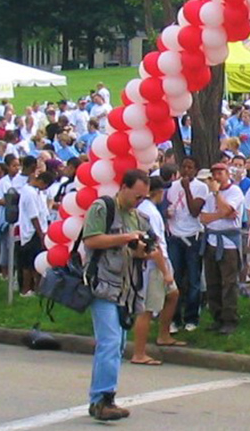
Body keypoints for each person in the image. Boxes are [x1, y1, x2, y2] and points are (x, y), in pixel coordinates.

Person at [84, 170, 153, 421]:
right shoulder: (103, 207)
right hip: (103, 283)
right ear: (123, 187)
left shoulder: (139, 218)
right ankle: (103, 398)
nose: (139, 201)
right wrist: (126, 237)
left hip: (127, 288)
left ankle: (100, 398)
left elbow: (143, 253)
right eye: (136, 196)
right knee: (110, 341)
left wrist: (143, 249)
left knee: (118, 344)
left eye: (144, 197)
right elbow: (91, 240)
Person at [130, 177, 184, 366]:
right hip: (154, 265)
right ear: (157, 192)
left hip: (161, 261)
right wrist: (165, 271)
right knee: (147, 309)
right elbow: (153, 244)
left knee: (173, 295)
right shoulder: (148, 213)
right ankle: (139, 352)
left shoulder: (148, 210)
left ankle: (164, 334)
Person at [199, 163, 245, 334]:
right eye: (214, 174)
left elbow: (228, 209)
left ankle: (230, 318)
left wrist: (219, 196)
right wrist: (221, 214)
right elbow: (203, 218)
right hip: (212, 240)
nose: (217, 177)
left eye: (220, 173)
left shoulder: (234, 192)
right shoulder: (210, 196)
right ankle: (217, 316)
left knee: (229, 282)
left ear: (227, 174)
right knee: (213, 281)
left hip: (228, 243)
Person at [165, 157, 207, 332]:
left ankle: (192, 317)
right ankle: (174, 318)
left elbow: (194, 210)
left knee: (193, 279)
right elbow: (167, 207)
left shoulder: (201, 187)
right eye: (184, 167)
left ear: (195, 170)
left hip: (192, 237)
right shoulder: (172, 188)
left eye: (190, 167)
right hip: (175, 236)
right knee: (175, 278)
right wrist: (168, 213)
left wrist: (187, 189)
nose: (186, 170)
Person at [16, 169, 53, 295]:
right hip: (32, 232)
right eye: (45, 186)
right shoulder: (30, 193)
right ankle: (27, 289)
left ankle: (36, 288)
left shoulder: (35, 192)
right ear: (41, 182)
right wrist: (41, 234)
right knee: (30, 263)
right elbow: (34, 216)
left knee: (33, 262)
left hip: (38, 230)